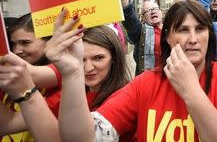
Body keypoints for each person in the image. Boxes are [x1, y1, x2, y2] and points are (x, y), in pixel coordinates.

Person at [47, 0, 217, 141]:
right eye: (183, 30)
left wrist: (190, 90)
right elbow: (86, 137)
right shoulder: (146, 83)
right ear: (167, 37)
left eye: (200, 29)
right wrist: (72, 74)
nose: (193, 39)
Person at [0, 21, 131, 141]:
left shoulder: (126, 98)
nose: (88, 68)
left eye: (98, 58)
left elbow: (33, 74)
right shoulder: (68, 94)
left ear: (114, 57)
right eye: (81, 59)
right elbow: (8, 124)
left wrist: (27, 92)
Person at [0, 13, 60, 142]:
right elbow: (4, 125)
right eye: (13, 44)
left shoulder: (67, 76)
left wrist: (3, 56)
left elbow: (33, 74)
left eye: (25, 43)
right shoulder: (9, 75)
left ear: (50, 41)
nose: (16, 50)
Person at [117, 0, 162, 75]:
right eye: (148, 11)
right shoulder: (141, 32)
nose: (153, 11)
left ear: (160, 12)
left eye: (155, 8)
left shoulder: (172, 29)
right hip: (148, 83)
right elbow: (129, 19)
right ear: (143, 18)